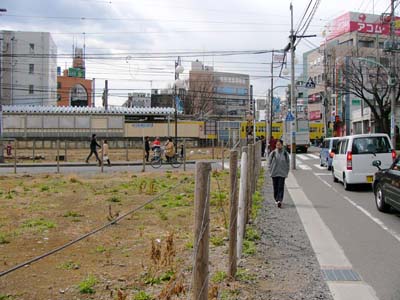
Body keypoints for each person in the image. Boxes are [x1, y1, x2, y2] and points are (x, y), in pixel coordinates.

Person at [268, 139, 290, 208]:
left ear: (282, 145)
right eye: (277, 145)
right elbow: (269, 163)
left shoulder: (285, 153)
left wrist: (286, 172)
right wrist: (270, 170)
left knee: (281, 186)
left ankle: (280, 200)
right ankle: (276, 199)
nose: (278, 146)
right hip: (274, 172)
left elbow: (288, 163)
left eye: (279, 144)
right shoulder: (273, 153)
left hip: (282, 173)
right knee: (275, 186)